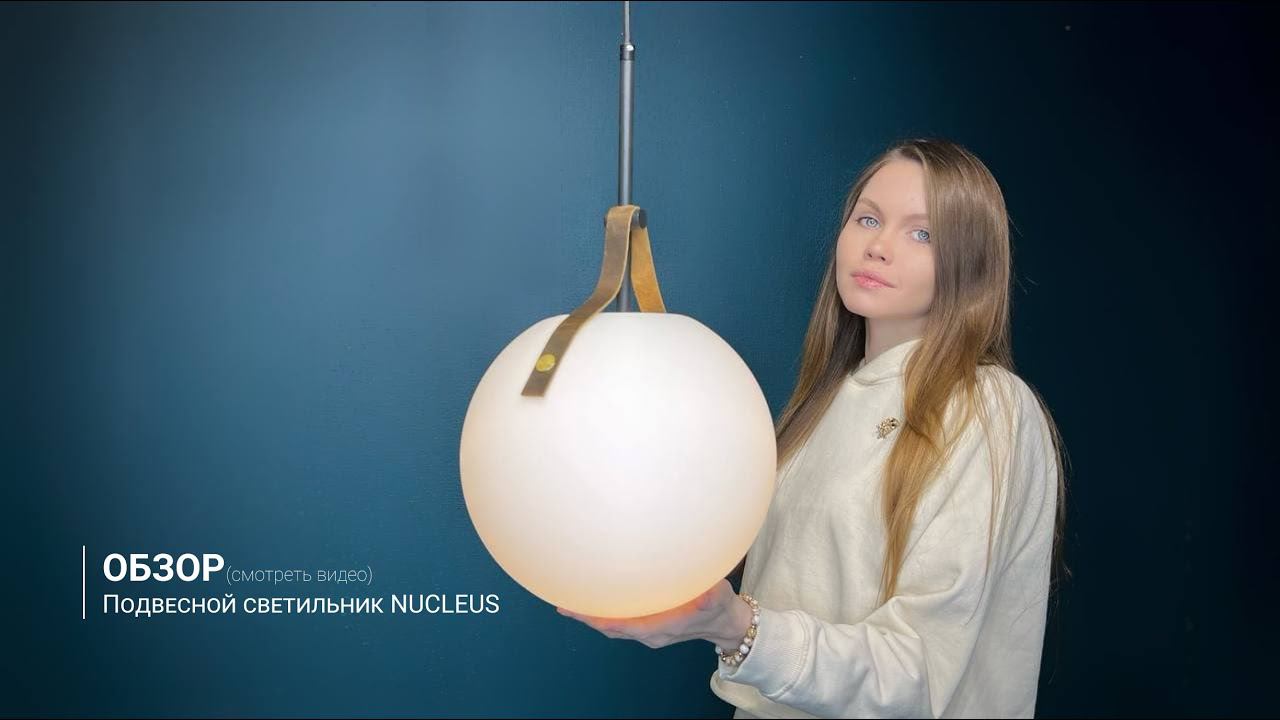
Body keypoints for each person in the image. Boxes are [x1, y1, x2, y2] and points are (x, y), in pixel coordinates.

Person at [557, 137, 1069, 719]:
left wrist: (736, 627)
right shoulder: (821, 406)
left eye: (922, 234)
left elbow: (921, 674)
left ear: (970, 264)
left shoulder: (987, 406)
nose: (878, 247)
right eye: (868, 219)